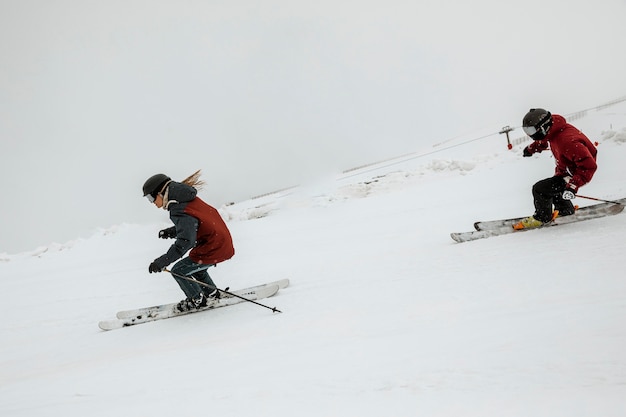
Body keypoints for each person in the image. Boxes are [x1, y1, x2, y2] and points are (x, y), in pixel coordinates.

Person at [142, 170, 235, 311]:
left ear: (160, 193)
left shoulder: (178, 207)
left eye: (150, 198)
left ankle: (196, 300)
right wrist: (171, 231)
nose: (152, 203)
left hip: (214, 247)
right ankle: (211, 293)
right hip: (220, 243)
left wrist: (162, 261)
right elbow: (193, 224)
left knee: (179, 270)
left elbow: (186, 241)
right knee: (195, 265)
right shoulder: (184, 199)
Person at [513, 108, 597, 230]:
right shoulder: (553, 130)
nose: (530, 135)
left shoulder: (568, 141)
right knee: (554, 186)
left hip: (576, 173)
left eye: (531, 131)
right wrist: (532, 149)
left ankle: (542, 218)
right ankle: (565, 210)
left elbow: (588, 166)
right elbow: (544, 140)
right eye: (527, 131)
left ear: (543, 127)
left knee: (540, 189)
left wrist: (573, 186)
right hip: (566, 169)